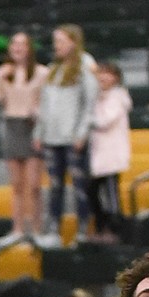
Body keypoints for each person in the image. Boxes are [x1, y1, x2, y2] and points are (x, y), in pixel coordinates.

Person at [0, 33, 47, 244]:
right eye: (14, 43)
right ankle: (18, 228)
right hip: (12, 125)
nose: (18, 48)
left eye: (23, 44)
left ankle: (37, 229)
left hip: (32, 127)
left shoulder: (41, 72)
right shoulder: (5, 72)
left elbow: (46, 101)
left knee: (33, 184)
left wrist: (38, 116)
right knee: (16, 183)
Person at [35, 25, 90, 246]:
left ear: (73, 43)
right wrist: (39, 132)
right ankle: (54, 231)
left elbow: (89, 105)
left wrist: (81, 133)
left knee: (79, 186)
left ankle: (83, 230)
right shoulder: (53, 70)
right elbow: (45, 105)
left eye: (61, 41)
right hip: (52, 137)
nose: (56, 46)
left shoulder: (84, 69)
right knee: (55, 186)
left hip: (72, 138)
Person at [84, 62, 131, 240]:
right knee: (92, 191)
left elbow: (105, 121)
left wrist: (87, 118)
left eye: (108, 74)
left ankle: (115, 229)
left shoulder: (118, 97)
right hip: (97, 155)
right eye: (101, 73)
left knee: (111, 195)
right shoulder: (95, 96)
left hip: (111, 154)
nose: (103, 77)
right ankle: (101, 225)